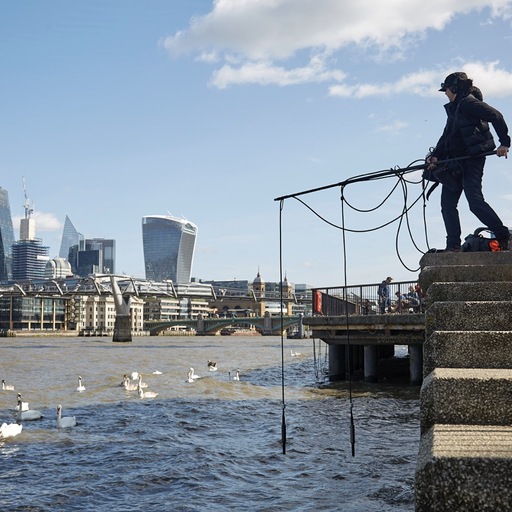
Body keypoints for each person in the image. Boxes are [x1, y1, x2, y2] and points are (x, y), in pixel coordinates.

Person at [426, 71, 511, 252]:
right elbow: (446, 136)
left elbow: (496, 115)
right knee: (447, 205)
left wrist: (504, 143)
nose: (446, 94)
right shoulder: (454, 109)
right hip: (454, 163)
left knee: (475, 202)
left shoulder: (468, 103)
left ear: (454, 88)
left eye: (447, 90)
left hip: (472, 160)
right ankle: (453, 246)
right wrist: (435, 156)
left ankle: (504, 236)